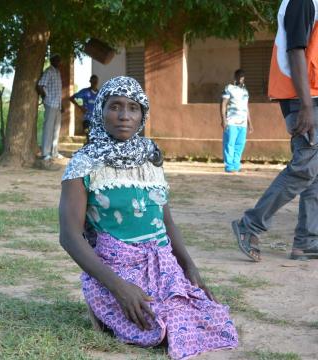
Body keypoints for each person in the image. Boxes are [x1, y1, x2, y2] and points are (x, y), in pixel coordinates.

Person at [60, 76, 238, 359]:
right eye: (115, 106)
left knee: (212, 321)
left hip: (162, 263)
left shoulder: (151, 157)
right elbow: (69, 236)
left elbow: (165, 221)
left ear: (143, 114)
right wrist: (120, 288)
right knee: (157, 328)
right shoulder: (83, 163)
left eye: (133, 108)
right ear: (100, 111)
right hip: (116, 266)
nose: (124, 116)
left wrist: (189, 267)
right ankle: (101, 300)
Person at [232, 0, 318, 261]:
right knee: (304, 168)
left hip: (310, 95)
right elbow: (295, 51)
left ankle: (307, 241)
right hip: (304, 98)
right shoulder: (303, 1)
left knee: (314, 172)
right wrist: (305, 105)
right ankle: (250, 225)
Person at [220, 69, 254, 173]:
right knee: (229, 144)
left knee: (240, 145)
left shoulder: (245, 91)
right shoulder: (229, 88)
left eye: (243, 77)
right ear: (235, 78)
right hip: (231, 122)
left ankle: (236, 165)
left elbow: (246, 107)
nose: (241, 79)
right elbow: (223, 104)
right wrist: (224, 120)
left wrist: (250, 123)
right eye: (240, 77)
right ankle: (229, 166)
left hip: (243, 123)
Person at [37, 54, 64, 160]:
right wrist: (45, 98)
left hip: (58, 104)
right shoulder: (49, 71)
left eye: (59, 60)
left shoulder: (58, 72)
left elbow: (58, 91)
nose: (58, 61)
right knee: (48, 128)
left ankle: (54, 152)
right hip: (50, 103)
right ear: (52, 60)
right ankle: (45, 153)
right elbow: (40, 85)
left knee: (56, 129)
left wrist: (62, 104)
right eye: (56, 59)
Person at [70, 75, 99, 141]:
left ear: (97, 82)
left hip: (96, 121)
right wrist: (80, 107)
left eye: (96, 82)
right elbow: (71, 98)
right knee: (89, 137)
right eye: (93, 81)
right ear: (90, 81)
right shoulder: (85, 92)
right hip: (87, 120)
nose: (94, 83)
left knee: (94, 140)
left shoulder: (99, 94)